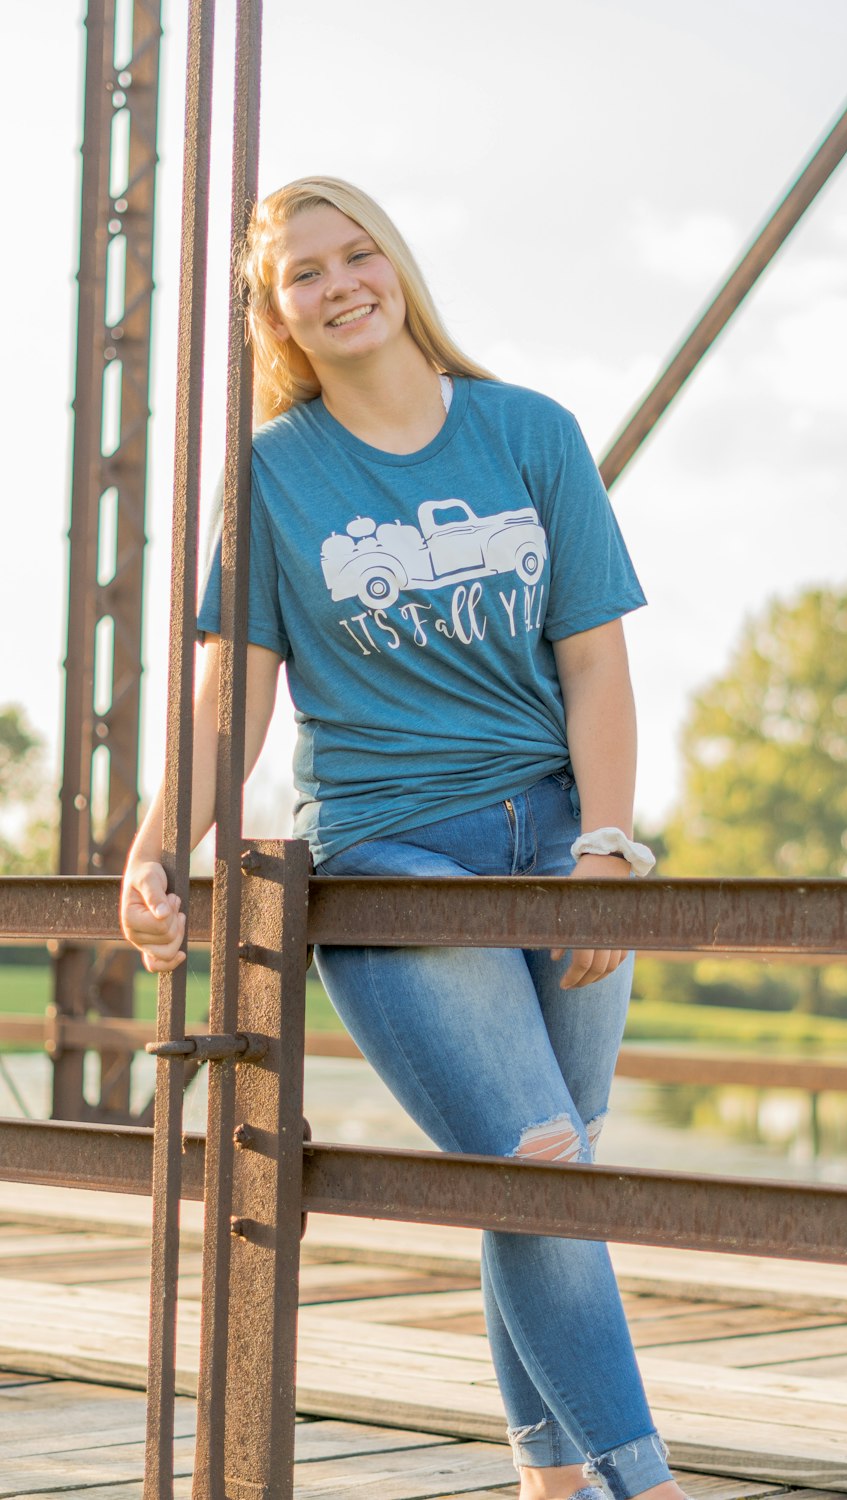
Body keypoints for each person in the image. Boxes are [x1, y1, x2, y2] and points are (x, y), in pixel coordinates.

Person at [121, 176, 683, 1500]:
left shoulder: (530, 433)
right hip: (389, 852)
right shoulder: (271, 476)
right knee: (540, 1164)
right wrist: (155, 845)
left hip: (554, 837)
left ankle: (550, 1479)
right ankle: (646, 1486)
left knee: (547, 1165)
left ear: (401, 265)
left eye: (355, 253)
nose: (338, 283)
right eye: (301, 274)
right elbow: (232, 694)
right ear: (278, 317)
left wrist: (607, 847)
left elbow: (596, 664)